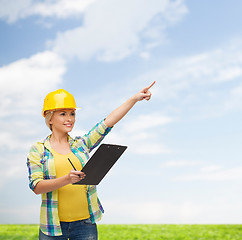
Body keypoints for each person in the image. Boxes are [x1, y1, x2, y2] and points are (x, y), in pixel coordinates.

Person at [27, 81, 155, 240]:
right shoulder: (38, 149)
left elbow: (108, 122)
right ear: (50, 118)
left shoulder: (82, 144)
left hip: (85, 224)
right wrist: (67, 179)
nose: (70, 119)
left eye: (72, 113)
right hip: (53, 227)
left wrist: (134, 99)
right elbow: (37, 187)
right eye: (63, 114)